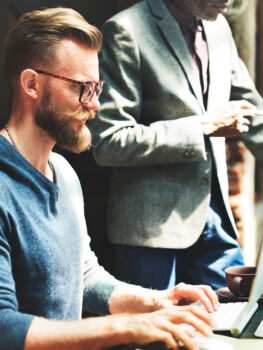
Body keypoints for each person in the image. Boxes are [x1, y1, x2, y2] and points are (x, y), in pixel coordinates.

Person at [0, 7, 222, 350]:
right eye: (82, 88)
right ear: (31, 83)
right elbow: (4, 328)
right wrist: (131, 327)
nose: (95, 105)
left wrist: (156, 302)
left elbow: (84, 276)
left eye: (97, 87)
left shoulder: (65, 174)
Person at [89, 0, 263, 291]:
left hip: (216, 222)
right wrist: (202, 127)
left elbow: (256, 119)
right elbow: (108, 141)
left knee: (237, 323)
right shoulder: (126, 30)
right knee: (157, 335)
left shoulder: (219, 28)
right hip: (150, 237)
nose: (231, 1)